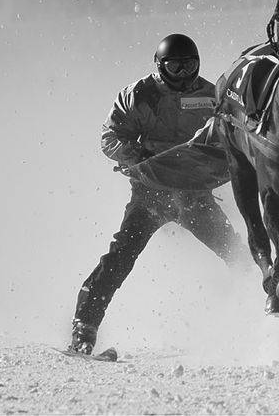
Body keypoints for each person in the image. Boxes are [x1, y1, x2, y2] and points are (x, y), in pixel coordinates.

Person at [69, 33, 244, 355]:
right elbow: (110, 136)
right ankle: (85, 326)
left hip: (194, 193)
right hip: (152, 194)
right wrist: (131, 153)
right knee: (120, 257)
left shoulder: (211, 96)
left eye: (189, 66)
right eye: (174, 67)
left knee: (237, 253)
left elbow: (234, 133)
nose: (182, 74)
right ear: (160, 65)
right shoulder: (140, 95)